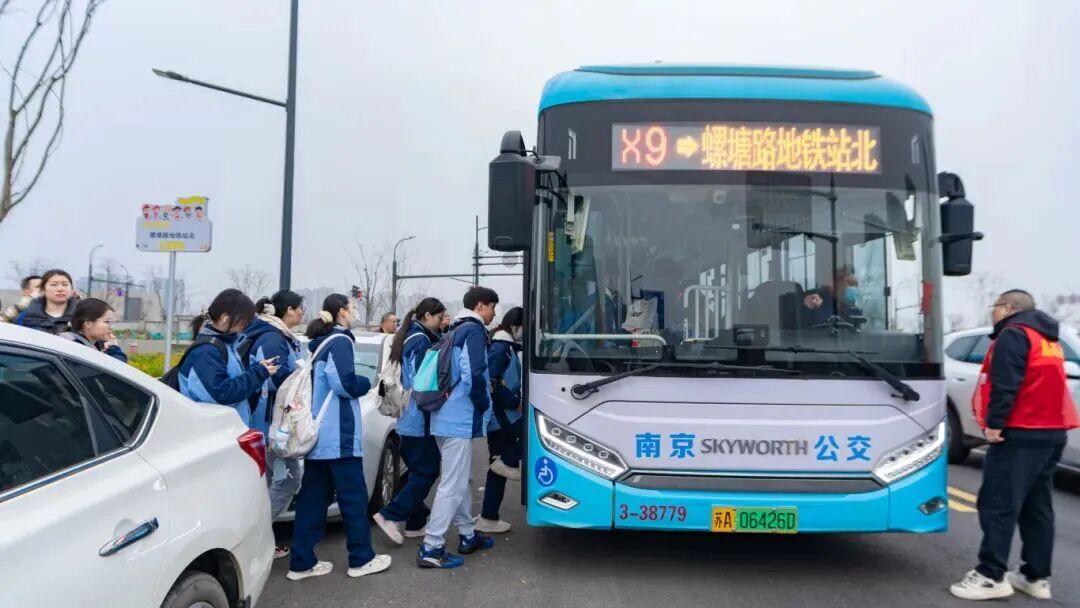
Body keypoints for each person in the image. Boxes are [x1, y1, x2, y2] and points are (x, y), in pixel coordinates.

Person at [949, 290, 1079, 601]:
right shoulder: (1048, 339)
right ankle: (1035, 576)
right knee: (1037, 507)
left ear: (1007, 308)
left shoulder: (1013, 334)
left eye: (995, 306)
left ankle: (990, 575)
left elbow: (1006, 382)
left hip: (1020, 432)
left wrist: (995, 424)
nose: (992, 312)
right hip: (1052, 433)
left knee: (998, 505)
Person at [288, 294, 391, 581]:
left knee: (312, 501)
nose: (356, 312)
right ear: (341, 312)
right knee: (354, 499)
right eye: (353, 307)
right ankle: (361, 558)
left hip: (320, 438)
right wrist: (364, 382)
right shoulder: (341, 342)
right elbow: (344, 384)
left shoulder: (319, 343)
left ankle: (301, 563)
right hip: (340, 435)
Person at [417, 286, 498, 569]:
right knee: (452, 484)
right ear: (480, 306)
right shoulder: (473, 331)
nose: (494, 313)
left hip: (443, 416)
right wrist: (483, 403)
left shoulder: (454, 329)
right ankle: (431, 546)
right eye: (492, 307)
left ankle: (467, 534)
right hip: (459, 418)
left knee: (460, 480)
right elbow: (473, 372)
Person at [373, 297, 447, 545]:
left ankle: (416, 521)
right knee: (428, 470)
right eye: (440, 317)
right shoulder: (422, 340)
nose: (442, 322)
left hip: (407, 417)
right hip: (418, 417)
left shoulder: (408, 336)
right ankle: (390, 514)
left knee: (417, 471)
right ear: (427, 316)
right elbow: (423, 381)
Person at [240, 290, 305, 559]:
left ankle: (256, 540)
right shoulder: (273, 338)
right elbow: (279, 380)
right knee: (289, 481)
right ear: (288, 310)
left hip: (265, 423)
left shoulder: (274, 335)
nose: (302, 313)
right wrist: (301, 380)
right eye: (300, 308)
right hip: (268, 424)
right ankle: (255, 538)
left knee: (264, 484)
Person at [178, 289, 277, 427]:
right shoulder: (206, 352)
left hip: (224, 429)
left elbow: (232, 380)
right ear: (225, 317)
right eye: (243, 319)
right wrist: (258, 373)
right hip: (213, 431)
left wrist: (258, 368)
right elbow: (221, 394)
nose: (246, 324)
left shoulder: (225, 344)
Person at [477, 307, 525, 534]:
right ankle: (508, 460)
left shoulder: (506, 346)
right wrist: (513, 402)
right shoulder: (500, 348)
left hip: (502, 415)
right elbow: (492, 382)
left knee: (497, 470)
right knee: (533, 433)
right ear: (515, 326)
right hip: (502, 415)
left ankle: (488, 517)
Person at [60, 298, 127, 362]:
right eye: (107, 321)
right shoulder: (74, 348)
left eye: (112, 322)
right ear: (88, 323)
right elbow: (117, 367)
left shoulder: (96, 345)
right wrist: (114, 350)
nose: (112, 327)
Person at [19, 269, 78, 334]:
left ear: (72, 289)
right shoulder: (27, 316)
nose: (60, 289)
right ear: (43, 289)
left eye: (65, 285)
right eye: (53, 285)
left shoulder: (82, 315)